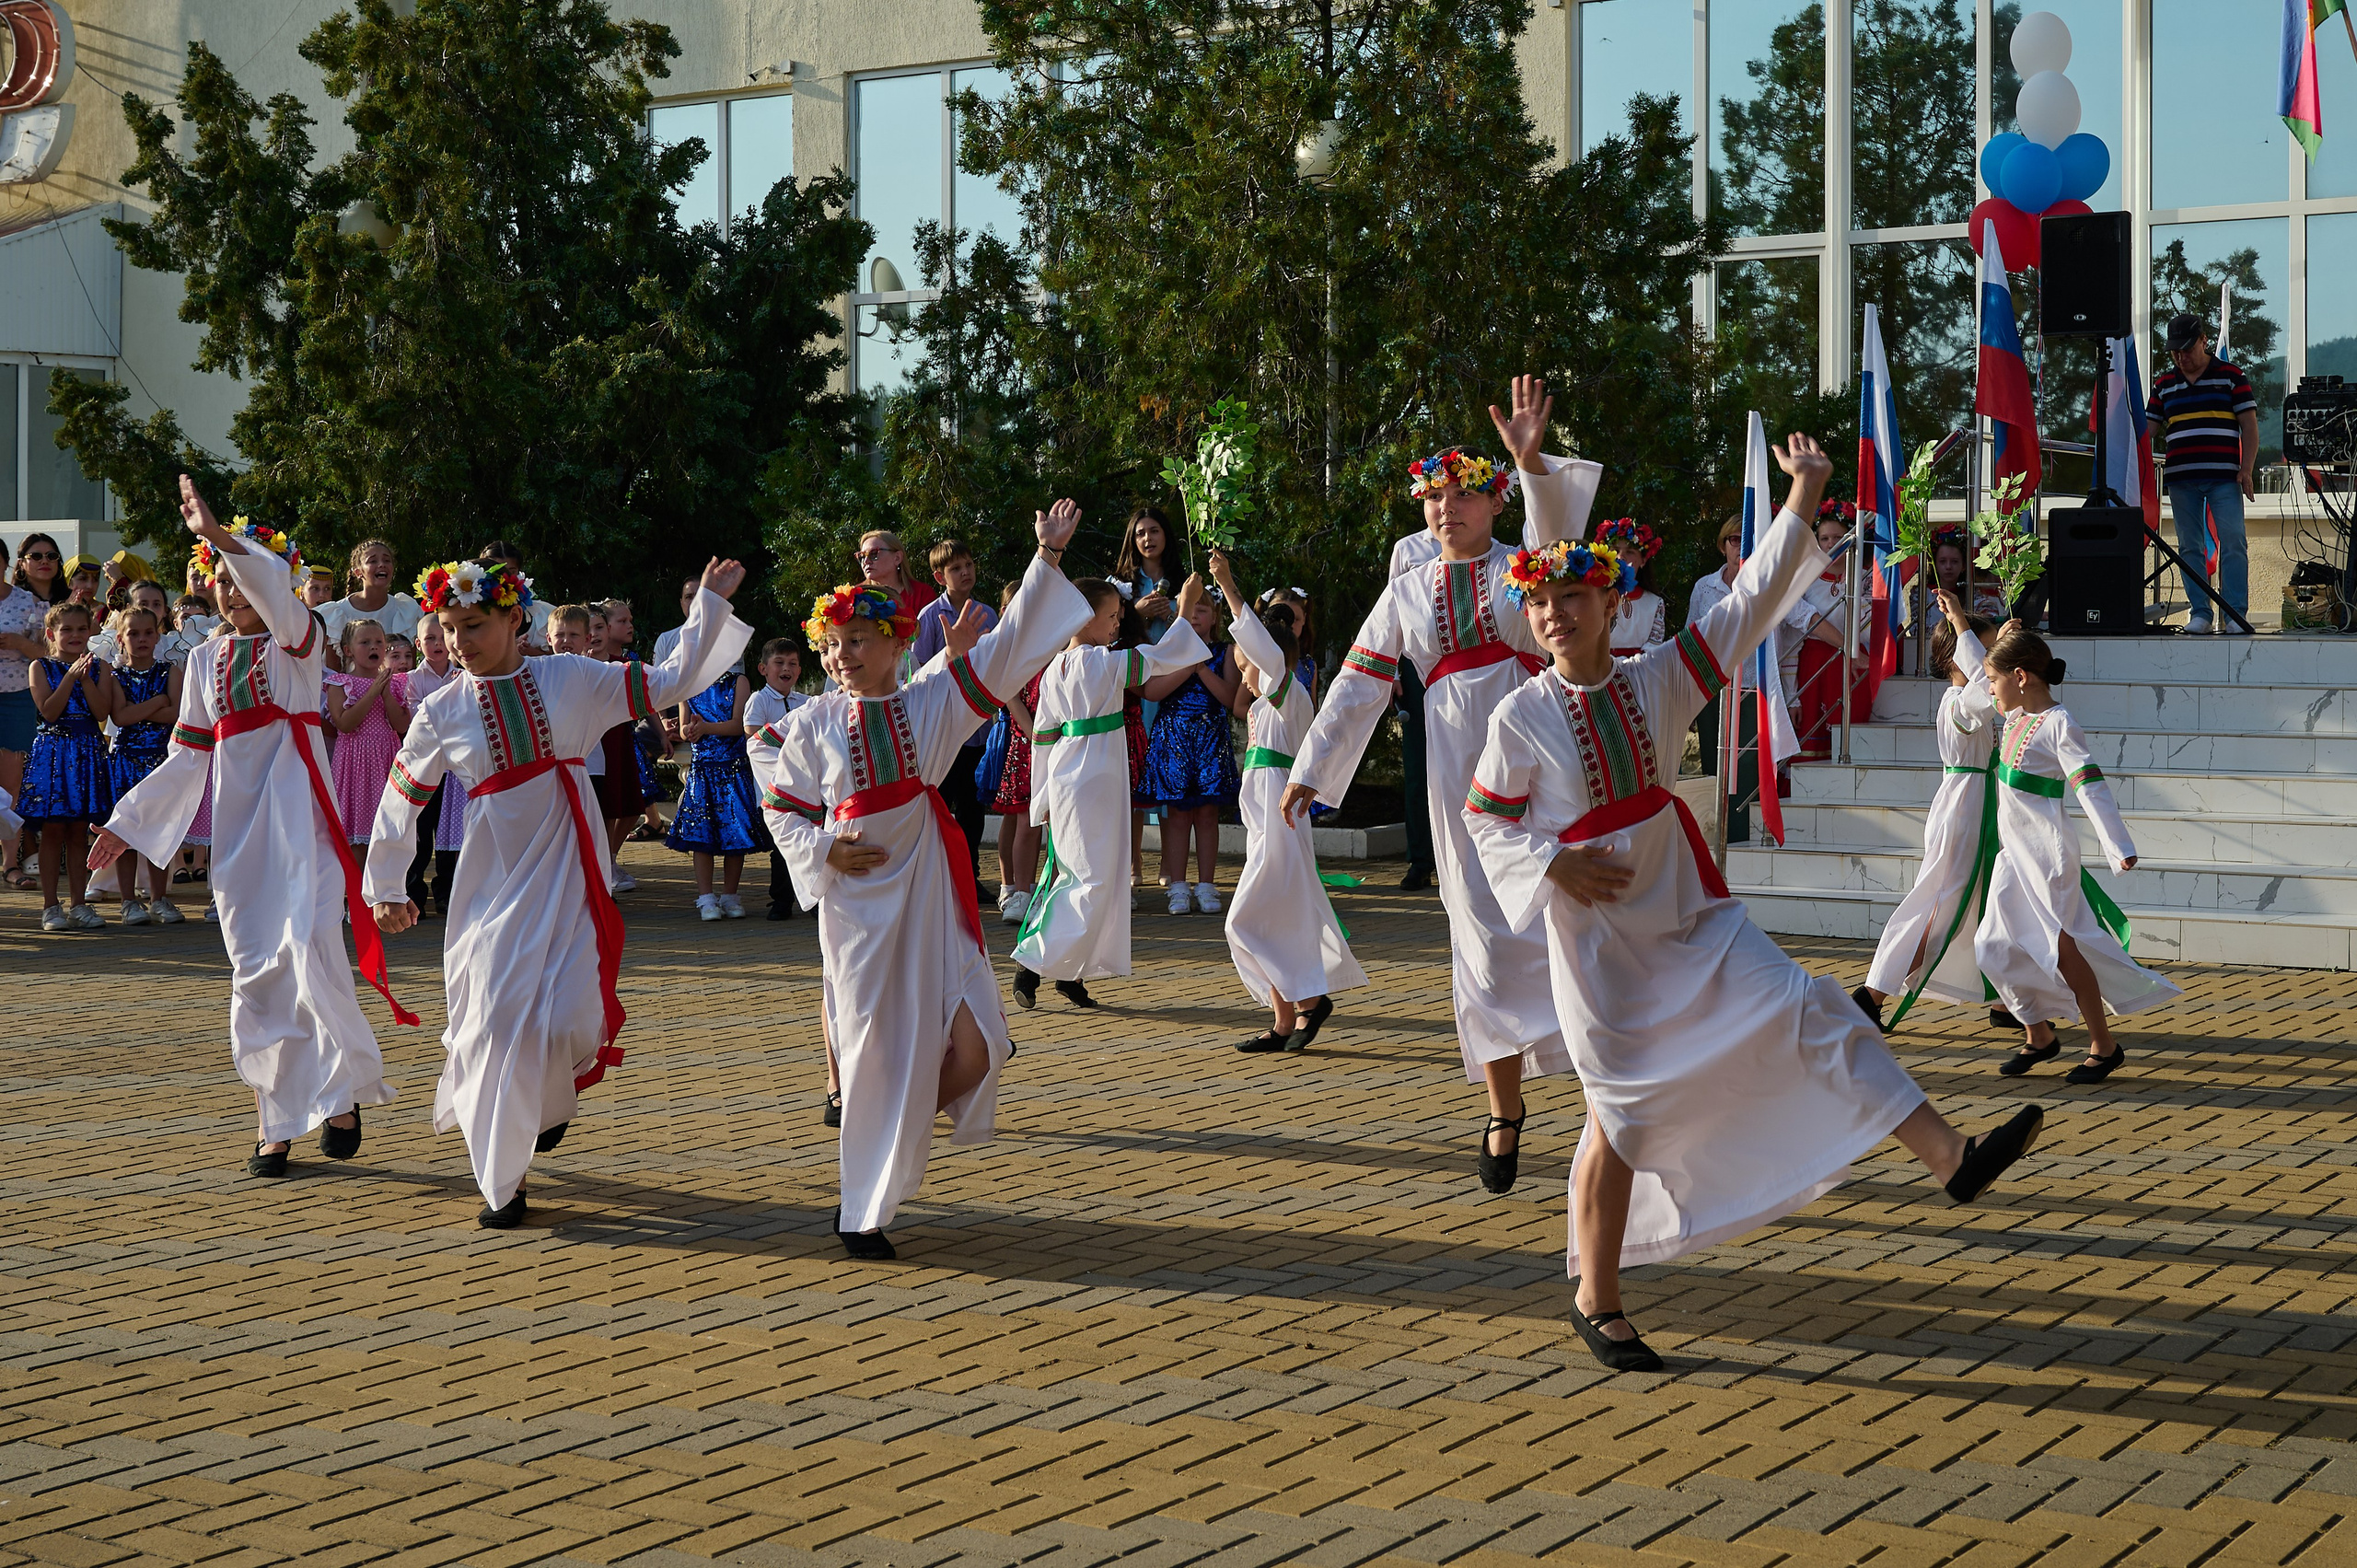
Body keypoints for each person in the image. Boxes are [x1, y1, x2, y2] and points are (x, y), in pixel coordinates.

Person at [1463, 430, 2046, 1373]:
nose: (1553, 613)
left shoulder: (1657, 675)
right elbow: (1484, 817)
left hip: (1686, 912)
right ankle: (1596, 1294)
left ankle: (1953, 1157)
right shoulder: (1517, 715)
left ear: (1613, 602)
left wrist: (1805, 490)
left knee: (1811, 1004)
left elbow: (1748, 605)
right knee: (1619, 1109)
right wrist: (1548, 864)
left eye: (1572, 595)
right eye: (1538, 600)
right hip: (1598, 939)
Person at [365, 554, 750, 1228]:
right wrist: (386, 884)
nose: (459, 642)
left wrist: (707, 610)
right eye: (449, 628)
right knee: (489, 1020)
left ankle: (544, 1103)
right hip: (490, 884)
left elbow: (667, 681)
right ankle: (502, 1182)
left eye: (474, 625)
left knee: (573, 1018)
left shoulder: (570, 677)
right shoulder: (443, 707)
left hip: (570, 873)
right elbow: (403, 794)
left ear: (516, 619)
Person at [760, 500, 1090, 1259]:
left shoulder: (928, 701)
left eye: (857, 641)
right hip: (857, 912)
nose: (842, 655)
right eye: (833, 643)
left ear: (894, 641)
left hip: (931, 896)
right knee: (876, 1051)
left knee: (979, 1046)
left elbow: (1005, 654)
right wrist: (819, 850)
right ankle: (861, 1207)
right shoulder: (809, 722)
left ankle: (891, 1144)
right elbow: (776, 795)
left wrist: (1047, 559)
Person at [1283, 377, 1589, 1194]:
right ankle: (1504, 1109)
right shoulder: (1408, 589)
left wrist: (1531, 466)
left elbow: (1561, 545)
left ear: (1494, 504)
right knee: (1480, 936)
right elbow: (1356, 681)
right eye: (1433, 498)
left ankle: (1611, 1100)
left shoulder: (1521, 571)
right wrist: (1311, 767)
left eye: (1462, 495)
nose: (1445, 509)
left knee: (1567, 920)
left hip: (1538, 749)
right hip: (1455, 766)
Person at [92, 480, 402, 1176]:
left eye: (242, 576)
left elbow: (278, 601)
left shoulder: (301, 640)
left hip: (305, 826)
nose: (232, 591)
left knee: (310, 954)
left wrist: (225, 537)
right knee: (257, 972)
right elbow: (187, 756)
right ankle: (276, 1114)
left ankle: (337, 1092)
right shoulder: (203, 660)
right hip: (241, 835)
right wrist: (128, 823)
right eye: (219, 580)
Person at [1975, 626, 2182, 1082]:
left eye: (1994, 679)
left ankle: (2103, 1046)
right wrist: (1970, 628)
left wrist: (2118, 844)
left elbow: (2089, 786)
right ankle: (2039, 1035)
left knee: (2063, 948)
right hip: (2014, 855)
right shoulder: (2012, 718)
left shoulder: (2058, 724)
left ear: (2021, 676)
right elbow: (1980, 678)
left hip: (2047, 853)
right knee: (1990, 945)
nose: (1988, 688)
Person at [1011, 575, 1213, 1009]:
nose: (1116, 625)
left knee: (1091, 873)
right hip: (1094, 779)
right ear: (1083, 619)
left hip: (1072, 775)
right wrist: (1185, 608)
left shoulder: (1053, 671)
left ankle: (1072, 971)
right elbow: (1162, 658)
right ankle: (1033, 963)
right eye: (1110, 617)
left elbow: (1043, 738)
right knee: (1092, 877)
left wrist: (1041, 797)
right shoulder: (1102, 663)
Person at [1206, 552, 1364, 1051]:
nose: (1243, 671)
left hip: (1282, 826)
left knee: (1246, 919)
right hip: (1263, 829)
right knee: (1269, 919)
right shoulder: (1260, 707)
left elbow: (1261, 645)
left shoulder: (1286, 694)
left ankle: (1309, 1001)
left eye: (1246, 663)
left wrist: (1228, 585)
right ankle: (1287, 1017)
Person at [1851, 591, 2002, 1033]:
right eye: (1986, 653)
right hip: (1965, 806)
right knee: (1941, 906)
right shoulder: (1961, 702)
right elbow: (1989, 694)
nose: (1991, 663)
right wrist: (1960, 623)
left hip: (1978, 800)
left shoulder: (1968, 696)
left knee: (1990, 898)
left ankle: (2010, 1000)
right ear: (1961, 658)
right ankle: (1871, 993)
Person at [2149, 312, 2258, 634]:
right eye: (2175, 352)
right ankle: (2201, 612)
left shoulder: (2232, 376)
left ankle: (2234, 613)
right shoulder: (2163, 384)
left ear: (2203, 341)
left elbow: (2249, 428)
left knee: (2234, 540)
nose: (2181, 357)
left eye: (2187, 349)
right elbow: (2147, 431)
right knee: (2190, 546)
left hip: (2225, 477)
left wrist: (2247, 468)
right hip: (2182, 479)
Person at [1139, 586, 1240, 915]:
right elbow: (1152, 691)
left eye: (1203, 610)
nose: (1195, 616)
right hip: (1174, 739)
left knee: (1209, 815)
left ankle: (1208, 884)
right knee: (1178, 816)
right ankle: (1179, 886)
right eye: (1189, 609)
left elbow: (1229, 698)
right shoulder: (1168, 649)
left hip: (1210, 739)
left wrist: (1200, 668)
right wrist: (1185, 663)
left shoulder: (1225, 652)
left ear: (1215, 618)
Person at [910, 540, 998, 900]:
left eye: (969, 564)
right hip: (945, 724)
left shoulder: (988, 613)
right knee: (942, 804)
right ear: (939, 576)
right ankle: (936, 878)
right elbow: (921, 671)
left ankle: (969, 876)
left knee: (973, 806)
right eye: (955, 568)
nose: (965, 573)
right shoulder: (931, 616)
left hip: (979, 723)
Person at [27, 601, 118, 930]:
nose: (75, 635)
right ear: (52, 634)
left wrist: (86, 678)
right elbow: (49, 711)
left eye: (82, 628)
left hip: (86, 752)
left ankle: (80, 904)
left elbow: (101, 713)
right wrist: (69, 677)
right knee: (52, 831)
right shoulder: (40, 666)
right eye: (67, 629)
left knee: (80, 832)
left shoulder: (101, 668)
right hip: (53, 754)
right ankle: (51, 906)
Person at [106, 605, 185, 925]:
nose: (141, 639)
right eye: (133, 633)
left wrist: (139, 709)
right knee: (125, 833)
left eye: (148, 633)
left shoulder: (171, 671)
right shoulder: (114, 676)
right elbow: (119, 717)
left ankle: (159, 897)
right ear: (121, 638)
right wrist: (156, 702)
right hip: (125, 760)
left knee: (158, 832)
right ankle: (128, 901)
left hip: (160, 761)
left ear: (158, 635)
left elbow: (176, 714)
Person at [667, 668, 762, 919]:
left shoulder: (739, 681)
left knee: (736, 832)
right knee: (702, 834)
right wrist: (690, 730)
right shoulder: (688, 683)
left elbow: (738, 725)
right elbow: (685, 727)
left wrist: (705, 727)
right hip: (703, 770)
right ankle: (706, 897)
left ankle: (730, 895)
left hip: (733, 768)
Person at [1793, 499, 1869, 762]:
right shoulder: (1806, 578)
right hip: (1814, 664)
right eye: (1824, 538)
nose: (1831, 544)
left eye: (1838, 536)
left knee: (1850, 738)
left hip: (1853, 664)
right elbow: (1796, 628)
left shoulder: (1866, 578)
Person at [323, 619, 411, 846]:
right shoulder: (340, 683)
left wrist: (386, 694)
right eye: (365, 642)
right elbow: (344, 724)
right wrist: (372, 692)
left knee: (389, 837)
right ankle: (356, 881)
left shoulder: (396, 682)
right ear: (348, 650)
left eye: (379, 642)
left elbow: (401, 726)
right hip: (355, 764)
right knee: (357, 840)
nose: (374, 647)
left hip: (386, 760)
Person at [401, 613, 464, 916]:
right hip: (425, 766)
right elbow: (418, 720)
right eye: (430, 639)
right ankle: (414, 891)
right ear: (418, 644)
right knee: (421, 832)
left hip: (455, 769)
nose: (438, 644)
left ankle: (447, 890)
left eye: (443, 637)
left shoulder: (463, 675)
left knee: (451, 832)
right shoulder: (413, 680)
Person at [743, 637, 810, 919]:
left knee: (808, 843)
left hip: (807, 787)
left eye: (792, 663)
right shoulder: (758, 700)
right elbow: (754, 736)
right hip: (772, 789)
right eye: (779, 662)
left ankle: (812, 899)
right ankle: (781, 900)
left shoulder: (806, 702)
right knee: (781, 847)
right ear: (763, 668)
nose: (786, 668)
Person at [0, 537, 50, 890]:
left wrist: (19, 644)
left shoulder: (28, 601)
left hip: (17, 698)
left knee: (10, 786)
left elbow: (48, 652)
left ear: (5, 564)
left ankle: (10, 863)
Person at [318, 540, 424, 670]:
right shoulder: (336, 614)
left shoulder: (406, 611)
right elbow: (333, 675)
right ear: (358, 572)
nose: (381, 565)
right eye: (373, 561)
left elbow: (409, 670)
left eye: (387, 560)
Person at [1596, 520, 1669, 655]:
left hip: (1640, 671)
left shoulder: (1654, 603)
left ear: (1643, 561)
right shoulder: (1596, 599)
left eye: (1630, 552)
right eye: (1615, 550)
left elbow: (1654, 647)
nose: (1620, 557)